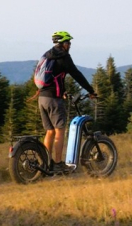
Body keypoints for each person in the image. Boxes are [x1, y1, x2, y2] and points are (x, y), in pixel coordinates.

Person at [38, 31, 97, 173]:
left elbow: (54, 77)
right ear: (63, 44)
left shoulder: (47, 55)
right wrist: (90, 90)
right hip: (53, 100)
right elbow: (76, 74)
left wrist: (62, 90)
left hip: (42, 98)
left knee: (49, 132)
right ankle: (58, 164)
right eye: (68, 42)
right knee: (60, 131)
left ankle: (47, 163)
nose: (70, 45)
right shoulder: (63, 56)